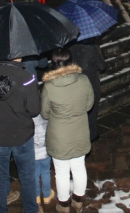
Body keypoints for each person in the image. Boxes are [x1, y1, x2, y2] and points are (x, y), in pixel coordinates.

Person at [0, 58, 41, 213]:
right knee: (27, 177)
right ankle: (31, 210)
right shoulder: (27, 78)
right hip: (22, 136)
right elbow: (34, 110)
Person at [41, 48, 94, 213]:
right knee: (79, 166)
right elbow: (89, 105)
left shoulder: (49, 86)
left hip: (59, 135)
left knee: (61, 171)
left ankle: (63, 204)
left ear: (53, 63)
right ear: (71, 61)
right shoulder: (84, 79)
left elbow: (44, 112)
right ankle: (78, 200)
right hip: (79, 131)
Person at [69, 39, 106, 142]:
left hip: (75, 83)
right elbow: (102, 66)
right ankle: (92, 135)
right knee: (92, 110)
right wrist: (100, 53)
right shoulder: (92, 47)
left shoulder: (70, 47)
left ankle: (79, 133)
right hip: (91, 83)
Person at [33, 113, 54, 211]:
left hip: (33, 152)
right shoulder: (46, 115)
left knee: (35, 175)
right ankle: (47, 195)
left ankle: (36, 197)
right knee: (45, 172)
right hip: (45, 150)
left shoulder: (28, 115)